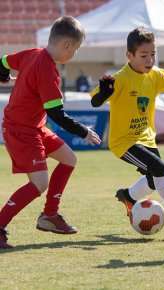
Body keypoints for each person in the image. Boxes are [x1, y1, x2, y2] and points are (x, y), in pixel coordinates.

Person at [0, 16, 101, 249]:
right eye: (75, 49)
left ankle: (49, 216)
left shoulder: (32, 53)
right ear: (66, 45)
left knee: (69, 159)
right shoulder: (46, 69)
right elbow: (57, 114)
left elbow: (2, 62)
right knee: (39, 183)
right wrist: (83, 131)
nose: (73, 54)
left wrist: (3, 75)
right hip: (21, 130)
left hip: (33, 127)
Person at [90, 27, 164, 232]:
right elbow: (95, 102)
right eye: (143, 55)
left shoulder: (155, 75)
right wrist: (104, 93)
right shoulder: (120, 78)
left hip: (147, 138)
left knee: (154, 179)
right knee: (160, 169)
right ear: (129, 55)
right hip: (123, 142)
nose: (149, 59)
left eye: (153, 54)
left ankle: (128, 196)